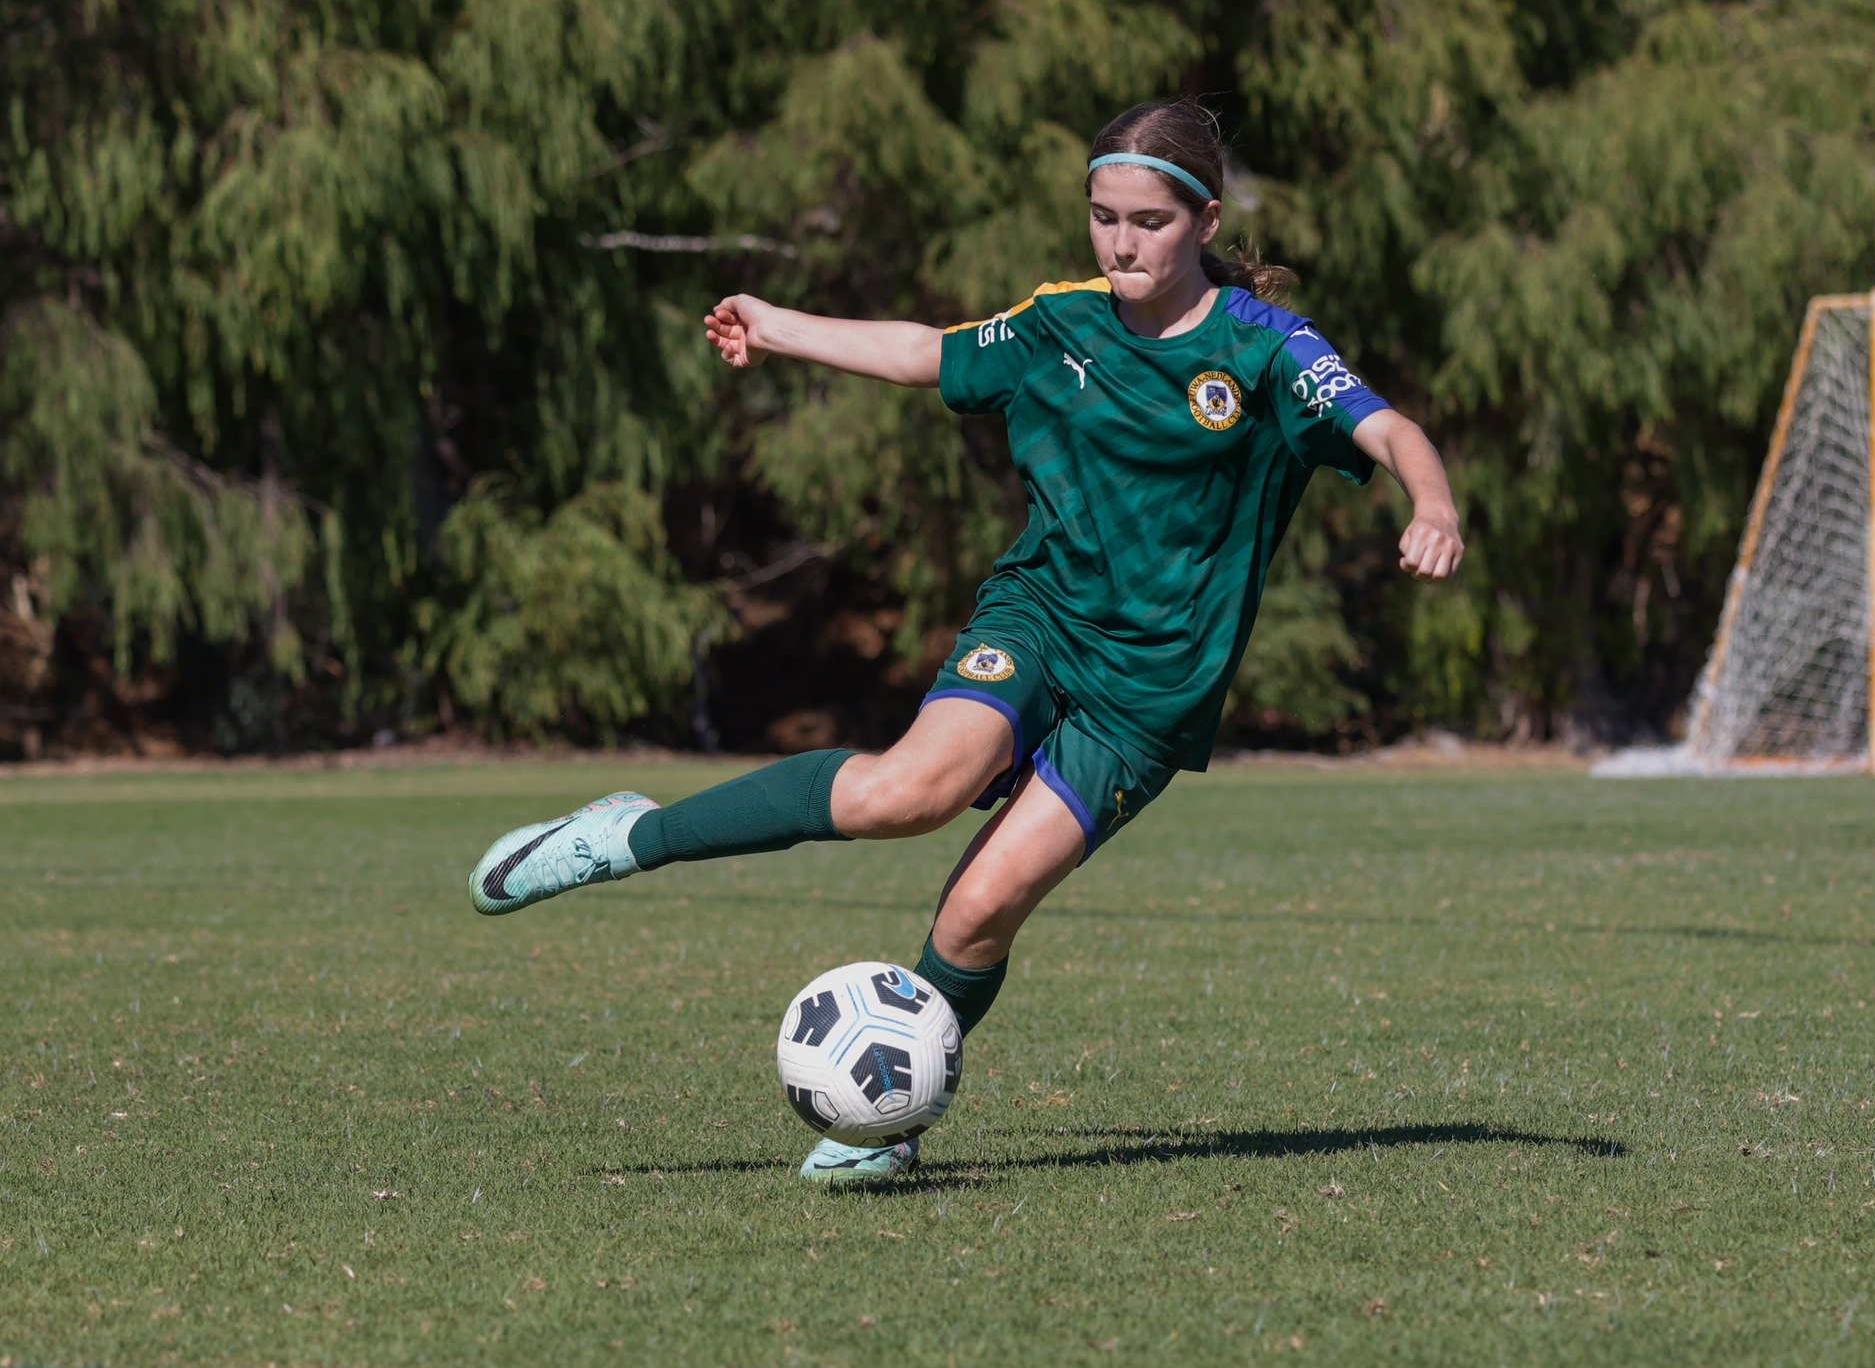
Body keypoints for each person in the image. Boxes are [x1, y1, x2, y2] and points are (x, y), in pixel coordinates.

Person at [466, 100, 1465, 1186]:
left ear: (1205, 220)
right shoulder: (1059, 322)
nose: (1121, 244)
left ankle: (884, 1116)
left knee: (982, 909)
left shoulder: (1267, 350)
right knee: (907, 791)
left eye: (1148, 222)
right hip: (1039, 615)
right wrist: (775, 321)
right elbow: (925, 353)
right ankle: (629, 833)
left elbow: (1387, 427)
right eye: (1101, 218)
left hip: (1150, 692)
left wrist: (1432, 504)